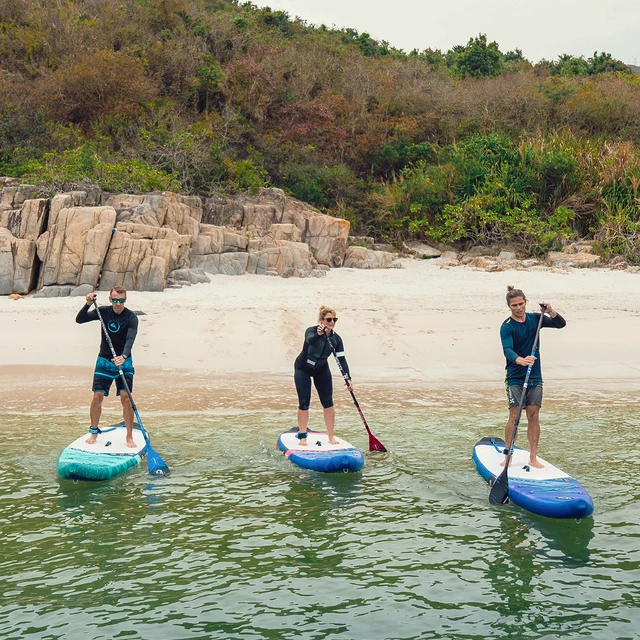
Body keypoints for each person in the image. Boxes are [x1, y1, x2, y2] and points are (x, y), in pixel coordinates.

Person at [500, 285, 566, 468]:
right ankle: (508, 455)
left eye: (521, 304)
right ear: (509, 306)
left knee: (533, 416)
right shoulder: (506, 327)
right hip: (515, 377)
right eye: (514, 305)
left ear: (525, 303)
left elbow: (560, 324)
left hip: (535, 376)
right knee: (514, 415)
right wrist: (520, 360)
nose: (518, 308)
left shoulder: (535, 319)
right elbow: (507, 350)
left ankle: (533, 457)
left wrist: (550, 311)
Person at [76, 286, 139, 448]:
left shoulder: (131, 318)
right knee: (97, 396)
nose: (118, 304)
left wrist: (123, 356)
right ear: (110, 300)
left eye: (121, 300)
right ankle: (94, 431)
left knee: (126, 398)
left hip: (124, 361)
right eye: (115, 300)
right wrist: (88, 304)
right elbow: (80, 319)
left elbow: (130, 339)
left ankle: (129, 436)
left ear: (125, 300)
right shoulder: (103, 312)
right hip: (104, 360)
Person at [294, 305, 353, 446]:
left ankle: (331, 436)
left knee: (328, 402)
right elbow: (310, 341)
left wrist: (348, 378)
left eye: (334, 319)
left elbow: (341, 359)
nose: (332, 322)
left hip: (321, 369)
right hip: (303, 368)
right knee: (304, 402)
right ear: (321, 320)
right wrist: (319, 334)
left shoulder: (336, 339)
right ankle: (303, 436)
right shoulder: (311, 331)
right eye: (328, 320)